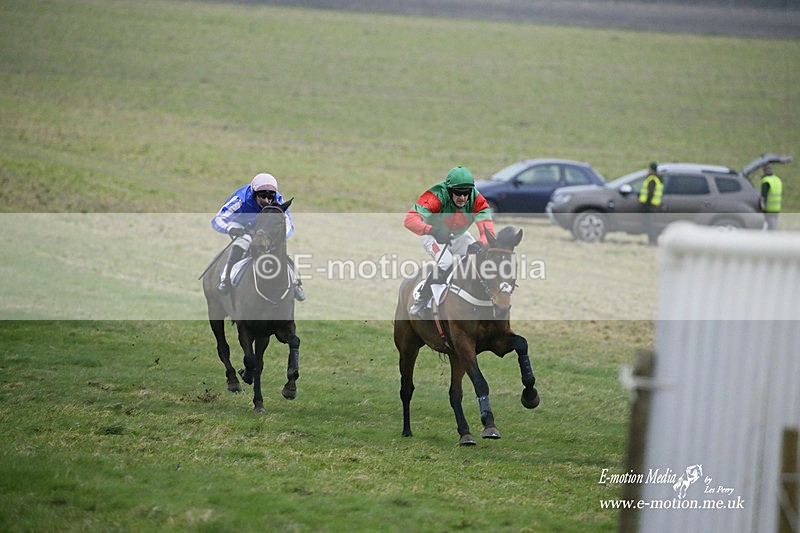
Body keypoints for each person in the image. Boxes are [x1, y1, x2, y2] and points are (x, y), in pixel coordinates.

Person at [404, 166, 495, 318]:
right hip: (432, 235)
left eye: (466, 193)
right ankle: (421, 300)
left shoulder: (478, 201)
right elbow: (409, 220)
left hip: (459, 235)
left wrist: (480, 243)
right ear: (448, 189)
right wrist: (433, 231)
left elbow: (489, 234)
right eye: (458, 193)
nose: (462, 198)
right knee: (446, 263)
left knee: (477, 260)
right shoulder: (436, 195)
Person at [212, 172, 306, 300]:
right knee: (243, 242)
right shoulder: (240, 200)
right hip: (242, 226)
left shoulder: (277, 200)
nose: (268, 200)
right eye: (263, 196)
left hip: (265, 228)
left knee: (277, 248)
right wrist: (231, 229)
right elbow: (218, 219)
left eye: (270, 196)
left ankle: (295, 284)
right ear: (254, 194)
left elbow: (288, 224)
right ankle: (226, 279)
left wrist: (275, 237)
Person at [638, 161, 663, 246]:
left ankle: (652, 242)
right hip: (655, 204)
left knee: (650, 225)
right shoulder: (658, 178)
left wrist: (645, 202)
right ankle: (653, 241)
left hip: (650, 205)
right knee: (652, 224)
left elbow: (650, 192)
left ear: (651, 169)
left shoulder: (652, 178)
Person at [760, 164, 783, 231]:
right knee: (773, 225)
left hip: (769, 208)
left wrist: (762, 207)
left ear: (764, 171)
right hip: (777, 207)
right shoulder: (777, 179)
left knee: (770, 227)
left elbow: (764, 196)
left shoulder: (766, 181)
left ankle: (772, 240)